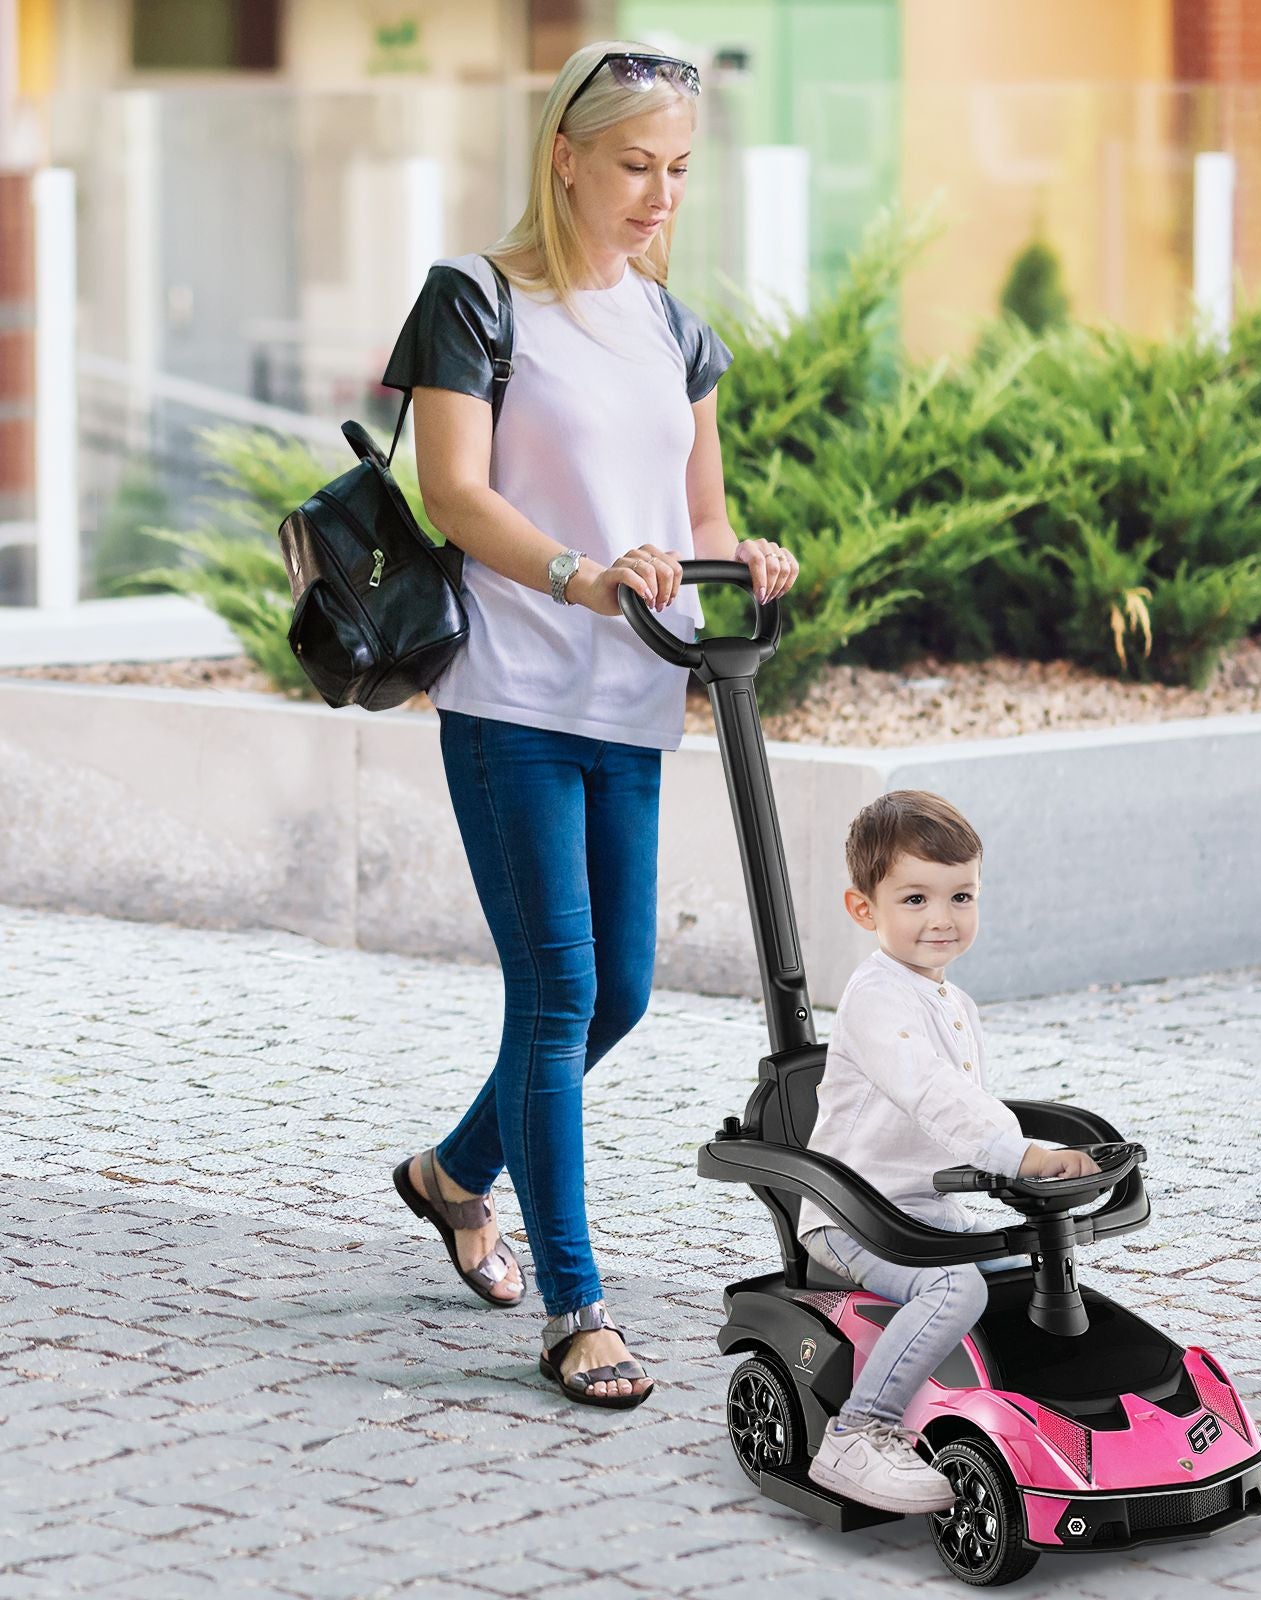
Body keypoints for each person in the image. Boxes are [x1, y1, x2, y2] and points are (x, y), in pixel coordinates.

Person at [383, 41, 798, 1411]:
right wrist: (578, 573)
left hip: (632, 703)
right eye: (635, 165)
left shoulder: (673, 328)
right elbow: (455, 491)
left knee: (617, 991)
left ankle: (454, 1173)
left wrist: (746, 563)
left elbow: (700, 517)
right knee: (557, 994)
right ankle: (576, 1307)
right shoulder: (477, 302)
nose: (659, 195)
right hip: (511, 694)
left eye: (679, 171)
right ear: (564, 152)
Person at [798, 790, 1099, 1510]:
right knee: (955, 1286)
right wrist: (1018, 1155)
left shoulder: (952, 1003)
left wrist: (1027, 1166)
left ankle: (1030, 1405)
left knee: (1018, 1262)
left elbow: (965, 1113)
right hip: (851, 1220)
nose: (942, 918)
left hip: (920, 1210)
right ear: (864, 910)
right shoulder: (878, 998)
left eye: (960, 895)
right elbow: (932, 1093)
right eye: (914, 899)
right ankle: (858, 1433)